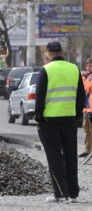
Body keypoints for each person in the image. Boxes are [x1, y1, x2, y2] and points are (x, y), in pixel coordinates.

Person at [34, 41, 85, 204]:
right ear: (61, 51)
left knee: (54, 156)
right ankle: (73, 194)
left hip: (50, 121)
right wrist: (76, 115)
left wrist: (39, 117)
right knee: (71, 155)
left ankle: (60, 193)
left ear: (48, 53)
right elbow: (81, 96)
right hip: (69, 119)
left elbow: (40, 97)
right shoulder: (74, 69)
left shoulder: (46, 70)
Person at [80, 58, 92, 158]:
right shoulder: (85, 77)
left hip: (91, 108)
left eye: (91, 65)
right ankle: (87, 149)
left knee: (91, 129)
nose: (89, 67)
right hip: (86, 107)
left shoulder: (89, 78)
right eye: (87, 65)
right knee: (86, 128)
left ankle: (88, 150)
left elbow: (87, 89)